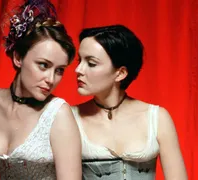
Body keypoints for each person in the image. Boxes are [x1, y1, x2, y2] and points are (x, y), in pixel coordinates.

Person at [0, 0, 81, 179]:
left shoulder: (57, 113)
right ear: (18, 57)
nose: (51, 79)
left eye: (59, 70)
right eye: (43, 65)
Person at [72, 25, 187, 179]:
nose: (78, 70)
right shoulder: (69, 118)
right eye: (80, 61)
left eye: (91, 63)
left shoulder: (157, 117)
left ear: (120, 73)